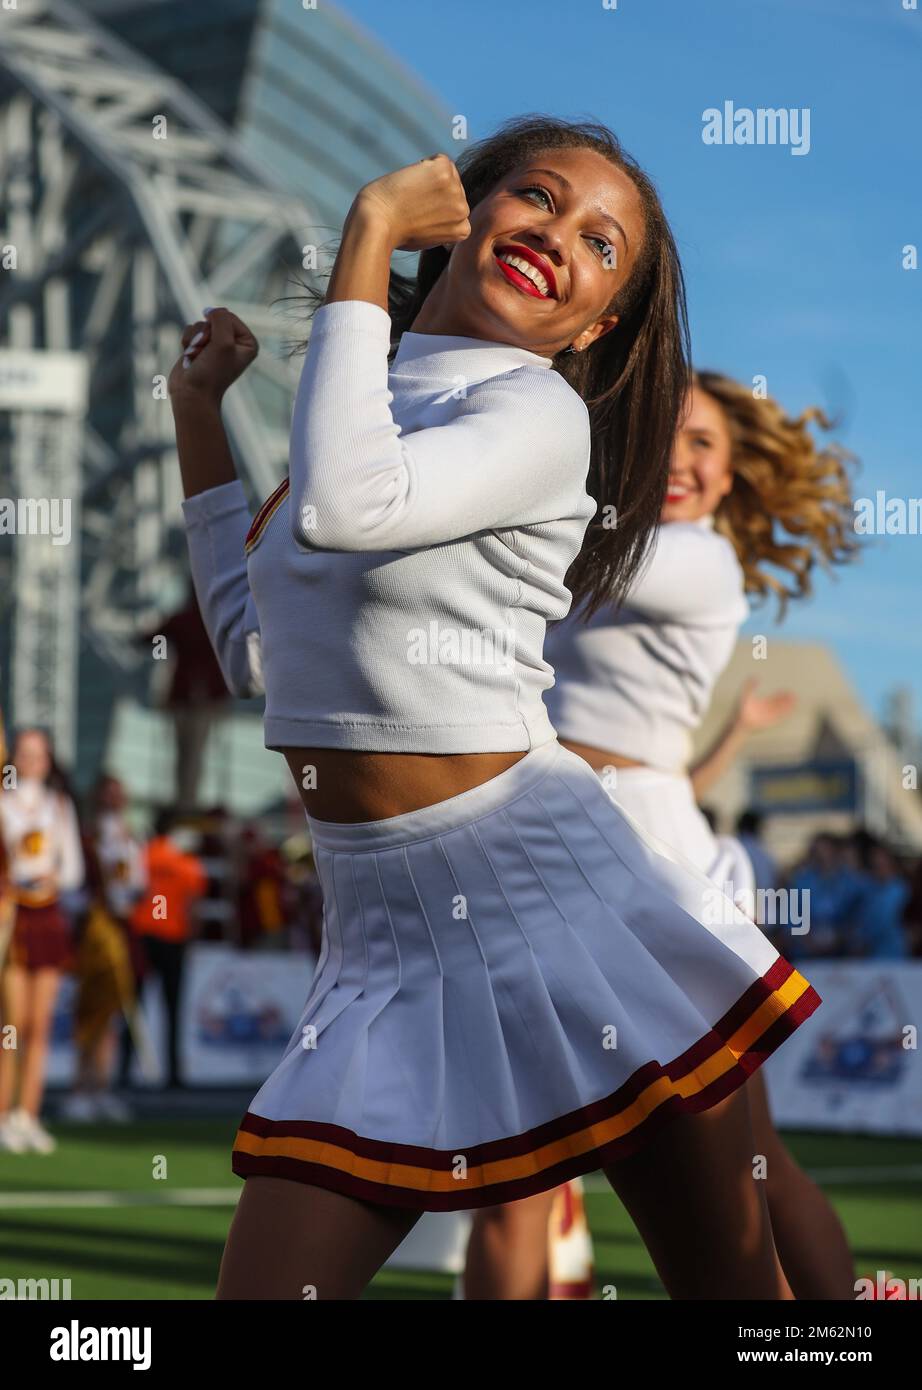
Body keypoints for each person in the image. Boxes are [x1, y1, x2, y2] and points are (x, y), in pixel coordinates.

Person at [171, 117, 820, 1300]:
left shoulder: (534, 413)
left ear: (595, 326)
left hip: (551, 893)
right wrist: (199, 413)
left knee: (734, 1290)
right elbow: (256, 646)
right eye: (535, 196)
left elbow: (348, 509)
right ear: (467, 214)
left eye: (600, 243)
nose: (557, 236)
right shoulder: (357, 404)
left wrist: (367, 233)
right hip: (375, 939)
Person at [466, 371, 857, 1300]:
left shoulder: (700, 558)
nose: (681, 461)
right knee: (515, 1180)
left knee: (746, 1168)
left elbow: (564, 558)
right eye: (664, 435)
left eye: (704, 445)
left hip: (654, 860)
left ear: (731, 477)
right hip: (541, 844)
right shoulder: (601, 534)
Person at [0, 728, 85, 1153]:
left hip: (47, 915)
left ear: (48, 759)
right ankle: (3, 1114)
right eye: (24, 752)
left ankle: (28, 1114)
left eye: (38, 753)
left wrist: (52, 877)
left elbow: (73, 870)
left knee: (40, 1026)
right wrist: (16, 879)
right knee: (11, 1025)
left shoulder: (58, 806)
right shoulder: (3, 803)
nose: (31, 760)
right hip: (13, 916)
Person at [64, 776, 145, 1122]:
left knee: (112, 1011)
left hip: (121, 929)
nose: (114, 800)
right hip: (93, 933)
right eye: (108, 794)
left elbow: (139, 883)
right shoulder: (86, 837)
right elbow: (74, 886)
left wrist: (129, 901)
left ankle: (102, 1087)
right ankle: (80, 1088)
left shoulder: (131, 836)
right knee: (89, 1011)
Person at [129, 809, 207, 1089]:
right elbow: (193, 904)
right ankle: (173, 1074)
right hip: (173, 938)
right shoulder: (185, 861)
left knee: (132, 1005)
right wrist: (192, 939)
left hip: (143, 934)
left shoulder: (144, 854)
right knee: (172, 1008)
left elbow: (129, 890)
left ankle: (123, 1072)